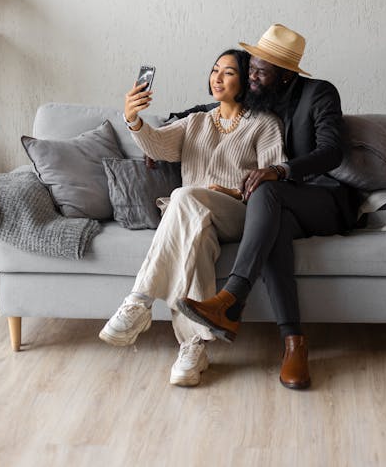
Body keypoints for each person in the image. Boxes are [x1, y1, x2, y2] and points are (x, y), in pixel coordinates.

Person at [177, 24, 359, 390]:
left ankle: (232, 298)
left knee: (266, 190)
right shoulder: (261, 94)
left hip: (322, 198)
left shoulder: (319, 93)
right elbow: (211, 109)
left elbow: (331, 151)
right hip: (277, 206)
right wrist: (170, 124)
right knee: (271, 223)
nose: (252, 77)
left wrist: (281, 169)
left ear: (287, 74)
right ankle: (294, 344)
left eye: (261, 71)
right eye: (251, 69)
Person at [99, 48, 286, 388]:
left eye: (228, 72)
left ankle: (139, 301)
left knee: (183, 198)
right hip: (195, 217)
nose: (217, 77)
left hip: (239, 215)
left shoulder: (265, 124)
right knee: (195, 237)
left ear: (244, 80)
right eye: (215, 70)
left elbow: (273, 181)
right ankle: (193, 347)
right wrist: (133, 120)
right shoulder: (196, 121)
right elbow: (156, 145)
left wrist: (227, 193)